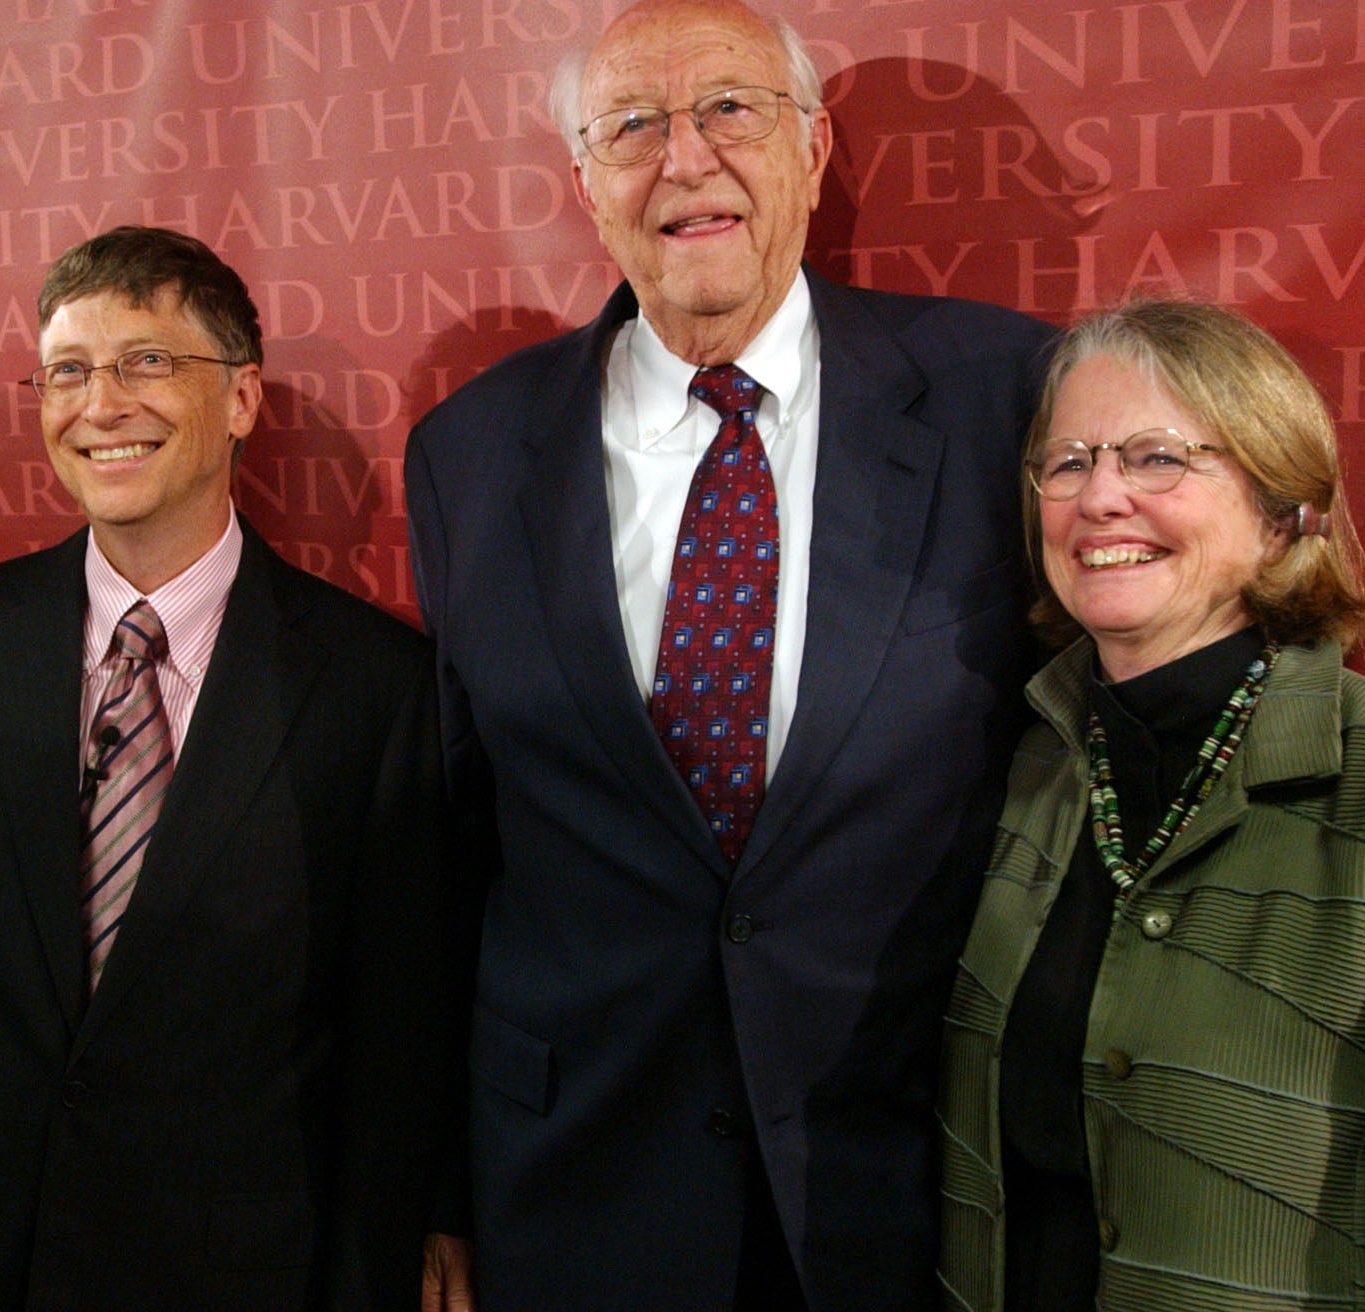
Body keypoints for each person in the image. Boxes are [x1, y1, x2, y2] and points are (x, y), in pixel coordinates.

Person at [404, 0, 1056, 1307]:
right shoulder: (470, 451)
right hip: (573, 1187)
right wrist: (437, 1192)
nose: (684, 157)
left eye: (730, 110)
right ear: (584, 182)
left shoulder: (1006, 395)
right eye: (632, 125)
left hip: (911, 1186)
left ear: (814, 153)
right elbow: (452, 846)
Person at [0, 225, 468, 1312]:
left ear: (240, 399)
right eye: (68, 372)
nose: (100, 404)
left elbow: (394, 1042)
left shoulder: (375, 686)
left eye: (145, 361)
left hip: (230, 1273)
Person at [938, 299, 1365, 1310]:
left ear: (1279, 509)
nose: (1099, 497)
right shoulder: (1027, 763)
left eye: (1155, 457)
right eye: (1068, 461)